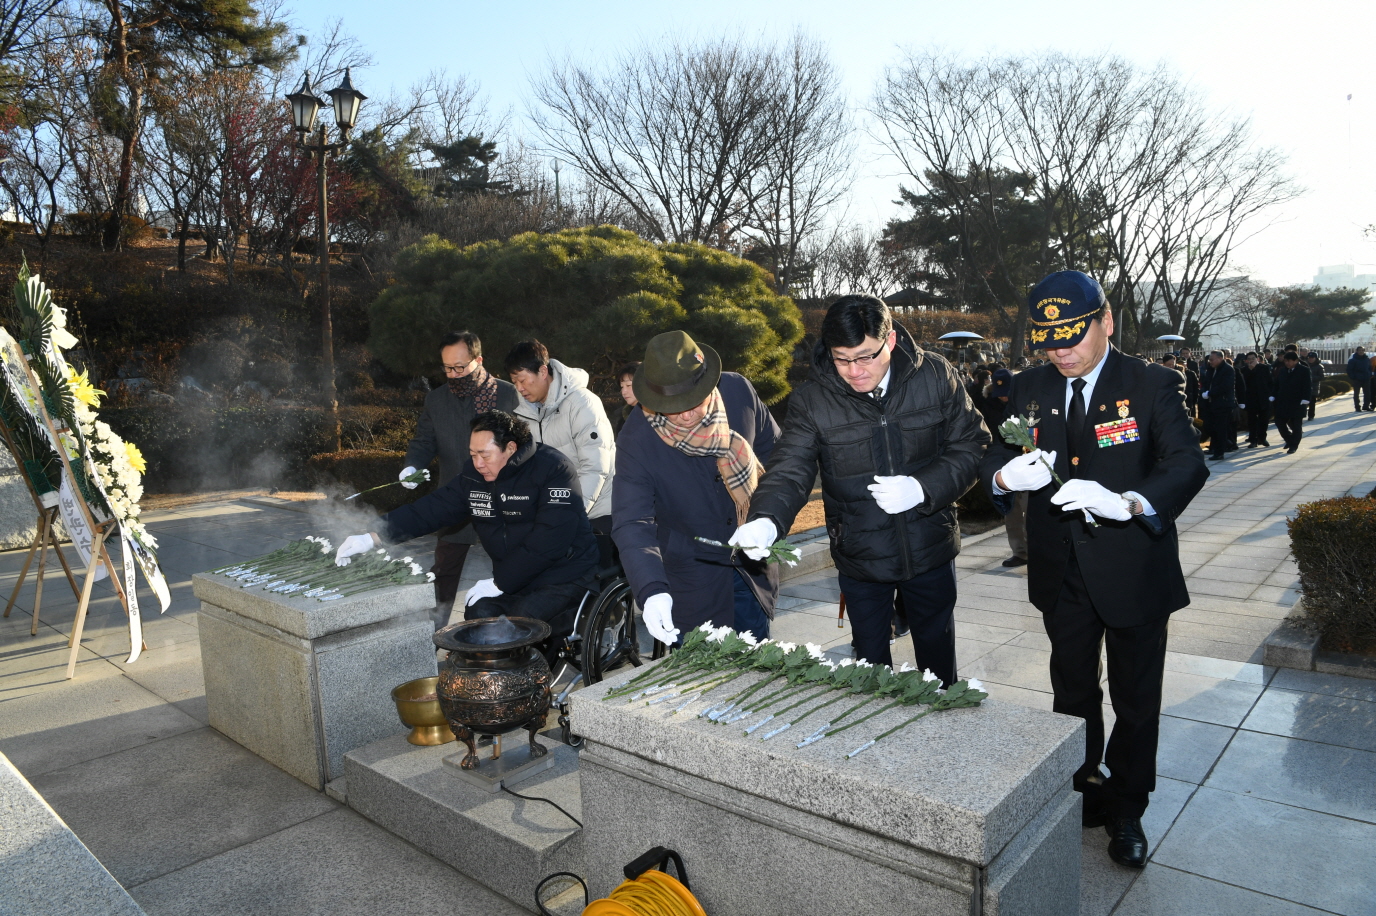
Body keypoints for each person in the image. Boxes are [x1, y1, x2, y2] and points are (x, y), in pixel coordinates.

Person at [978, 270, 1208, 869]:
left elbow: (1186, 464)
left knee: (1136, 698)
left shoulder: (1153, 383)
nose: (1061, 350)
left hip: (1133, 570)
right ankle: (1082, 786)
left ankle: (1128, 806)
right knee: (1073, 690)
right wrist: (1004, 477)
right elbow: (996, 457)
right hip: (1062, 573)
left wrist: (1133, 502)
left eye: (1073, 336)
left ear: (1106, 322)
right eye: (1049, 340)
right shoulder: (1029, 388)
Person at [732, 295, 990, 684]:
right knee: (870, 669)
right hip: (860, 553)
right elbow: (790, 468)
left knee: (938, 667)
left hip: (929, 544)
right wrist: (767, 519)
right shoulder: (813, 399)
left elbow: (973, 443)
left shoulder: (935, 375)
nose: (853, 371)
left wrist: (922, 488)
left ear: (889, 341)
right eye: (841, 359)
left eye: (866, 357)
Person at [336, 411, 599, 639]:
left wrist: (501, 582)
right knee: (477, 613)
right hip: (513, 575)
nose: (477, 463)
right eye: (472, 454)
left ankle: (527, 687)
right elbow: (432, 509)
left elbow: (550, 539)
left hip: (563, 575)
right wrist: (373, 535)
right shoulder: (474, 476)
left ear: (510, 447)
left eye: (484, 455)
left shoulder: (554, 469)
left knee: (520, 622)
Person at [613, 331, 781, 643]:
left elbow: (778, 457)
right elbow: (632, 522)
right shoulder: (636, 439)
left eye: (695, 400)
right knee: (702, 686)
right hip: (692, 581)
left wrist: (766, 517)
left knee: (757, 676)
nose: (689, 415)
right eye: (674, 406)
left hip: (751, 571)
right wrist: (651, 591)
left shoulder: (738, 391)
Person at [402, 330, 519, 630]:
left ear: (478, 360)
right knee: (443, 572)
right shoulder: (437, 400)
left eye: (460, 367)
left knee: (510, 571)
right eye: (447, 368)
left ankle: (509, 635)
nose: (453, 375)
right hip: (455, 501)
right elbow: (424, 440)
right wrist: (412, 466)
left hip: (504, 499)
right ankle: (432, 635)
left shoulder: (508, 395)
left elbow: (526, 444)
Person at [504, 339, 616, 540]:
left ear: (543, 371)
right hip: (556, 516)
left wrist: (569, 514)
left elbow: (595, 467)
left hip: (597, 514)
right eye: (514, 383)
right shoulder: (525, 412)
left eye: (522, 380)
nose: (519, 388)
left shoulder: (582, 403)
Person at [1199, 351, 1237, 461]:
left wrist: (1210, 393)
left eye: (1212, 359)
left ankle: (1219, 452)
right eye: (1209, 359)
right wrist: (1203, 392)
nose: (1210, 361)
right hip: (1210, 403)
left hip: (1223, 404)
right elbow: (1206, 382)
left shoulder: (1228, 369)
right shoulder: (1211, 369)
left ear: (1220, 358)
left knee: (1220, 428)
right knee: (1209, 426)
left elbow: (1225, 386)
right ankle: (1225, 444)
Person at [1272, 352, 1311, 454]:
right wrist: (1273, 395)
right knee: (1279, 422)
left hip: (1298, 402)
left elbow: (1307, 386)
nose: (1287, 363)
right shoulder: (1283, 371)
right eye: (1285, 361)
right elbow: (1277, 384)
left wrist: (1306, 399)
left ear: (1296, 361)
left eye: (1289, 361)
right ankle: (1289, 440)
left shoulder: (1304, 370)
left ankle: (1293, 446)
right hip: (1283, 402)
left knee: (1296, 425)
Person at [1241, 353, 1272, 448]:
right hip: (1250, 398)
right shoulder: (1244, 370)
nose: (1251, 360)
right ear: (1246, 360)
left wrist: (1271, 395)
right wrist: (1251, 370)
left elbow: (1270, 381)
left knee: (1264, 419)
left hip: (1263, 397)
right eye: (1249, 359)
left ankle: (1262, 438)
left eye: (1253, 358)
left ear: (1257, 359)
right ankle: (1253, 439)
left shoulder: (1264, 368)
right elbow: (1244, 383)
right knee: (1252, 420)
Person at [613, 361, 641, 435]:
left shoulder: (658, 417)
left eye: (628, 385)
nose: (624, 391)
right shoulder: (623, 417)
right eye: (622, 386)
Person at [1347, 346, 1372, 412]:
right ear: (1357, 351)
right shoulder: (1353, 360)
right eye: (1359, 350)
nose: (1361, 352)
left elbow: (1370, 368)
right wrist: (1353, 377)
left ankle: (1366, 406)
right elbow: (1349, 370)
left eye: (1362, 350)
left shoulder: (1367, 359)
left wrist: (1369, 374)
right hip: (1357, 379)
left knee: (1367, 393)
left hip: (1366, 378)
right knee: (1356, 393)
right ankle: (1357, 407)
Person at [1305, 353, 1325, 420]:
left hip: (1314, 387)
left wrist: (1310, 378)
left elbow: (1321, 377)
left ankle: (1311, 415)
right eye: (1309, 358)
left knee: (1312, 402)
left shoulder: (1319, 366)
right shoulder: (1305, 365)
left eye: (1312, 358)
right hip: (1305, 386)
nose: (1310, 359)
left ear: (1315, 358)